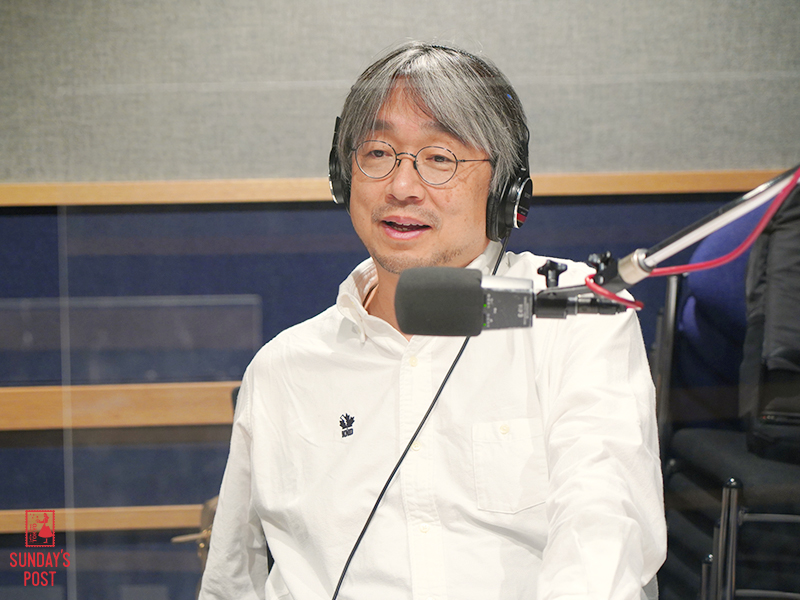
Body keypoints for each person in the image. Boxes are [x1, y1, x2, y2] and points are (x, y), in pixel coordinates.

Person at [199, 41, 667, 600]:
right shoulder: (282, 369)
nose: (401, 187)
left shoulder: (572, 313)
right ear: (343, 177)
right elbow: (232, 579)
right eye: (378, 153)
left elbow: (604, 528)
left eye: (440, 158)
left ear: (506, 190)